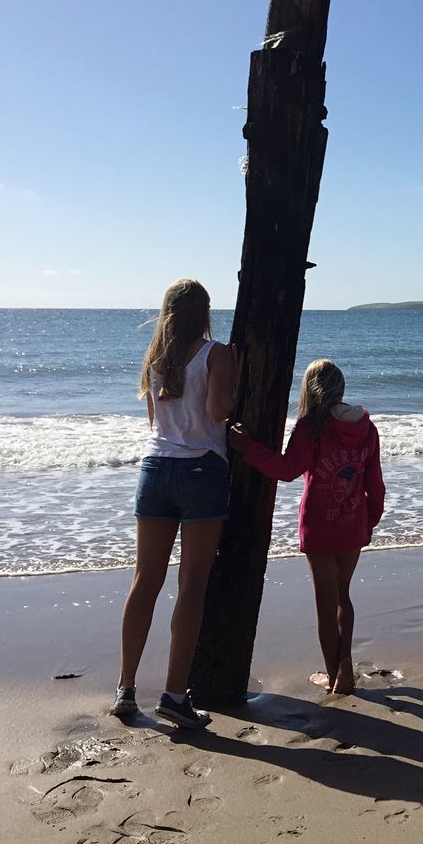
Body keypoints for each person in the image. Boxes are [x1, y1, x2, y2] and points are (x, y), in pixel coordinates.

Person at [111, 279, 240, 728]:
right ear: (205, 312)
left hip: (154, 469)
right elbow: (218, 411)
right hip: (201, 469)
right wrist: (234, 377)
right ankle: (173, 695)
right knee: (192, 585)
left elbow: (156, 424)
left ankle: (125, 688)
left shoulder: (156, 360)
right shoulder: (215, 352)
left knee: (145, 581)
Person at [229, 358, 385, 695]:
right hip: (352, 525)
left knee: (325, 604)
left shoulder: (311, 427)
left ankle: (335, 676)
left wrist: (246, 448)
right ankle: (344, 664)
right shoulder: (366, 428)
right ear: (340, 388)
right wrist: (368, 522)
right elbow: (376, 484)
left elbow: (286, 470)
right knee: (344, 595)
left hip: (319, 527)